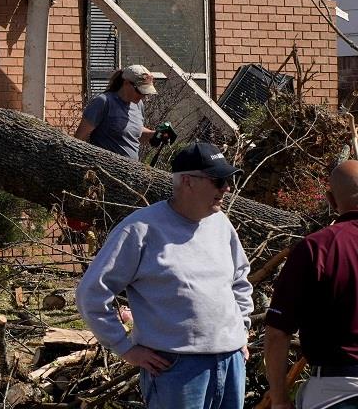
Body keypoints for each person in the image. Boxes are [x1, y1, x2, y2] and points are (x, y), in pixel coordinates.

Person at [75, 142, 252, 409]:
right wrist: (125, 348)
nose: (226, 188)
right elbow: (92, 293)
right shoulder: (140, 230)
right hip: (175, 367)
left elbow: (240, 279)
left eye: (228, 180)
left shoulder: (221, 224)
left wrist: (242, 331)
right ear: (188, 182)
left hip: (231, 361)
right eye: (218, 181)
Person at [264, 160, 358, 409]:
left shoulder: (319, 247)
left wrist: (280, 399)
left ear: (330, 199)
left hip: (336, 389)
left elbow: (277, 332)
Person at [74, 64, 175, 161]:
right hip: (104, 172)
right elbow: (78, 139)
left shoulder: (138, 105)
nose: (143, 96)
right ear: (126, 83)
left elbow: (133, 134)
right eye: (140, 91)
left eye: (146, 92)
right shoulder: (103, 102)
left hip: (131, 173)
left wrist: (156, 135)